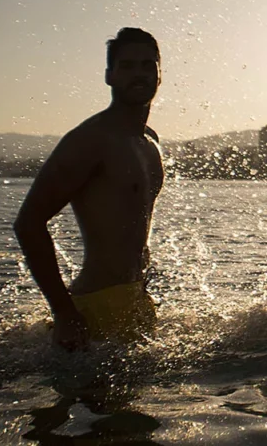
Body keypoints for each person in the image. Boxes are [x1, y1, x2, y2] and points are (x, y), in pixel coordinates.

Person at [14, 28, 163, 349]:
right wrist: (64, 313)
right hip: (96, 307)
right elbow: (28, 223)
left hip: (135, 299)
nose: (139, 74)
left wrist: (144, 285)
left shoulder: (150, 142)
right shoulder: (90, 141)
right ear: (109, 75)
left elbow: (136, 225)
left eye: (147, 65)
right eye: (127, 66)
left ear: (159, 75)